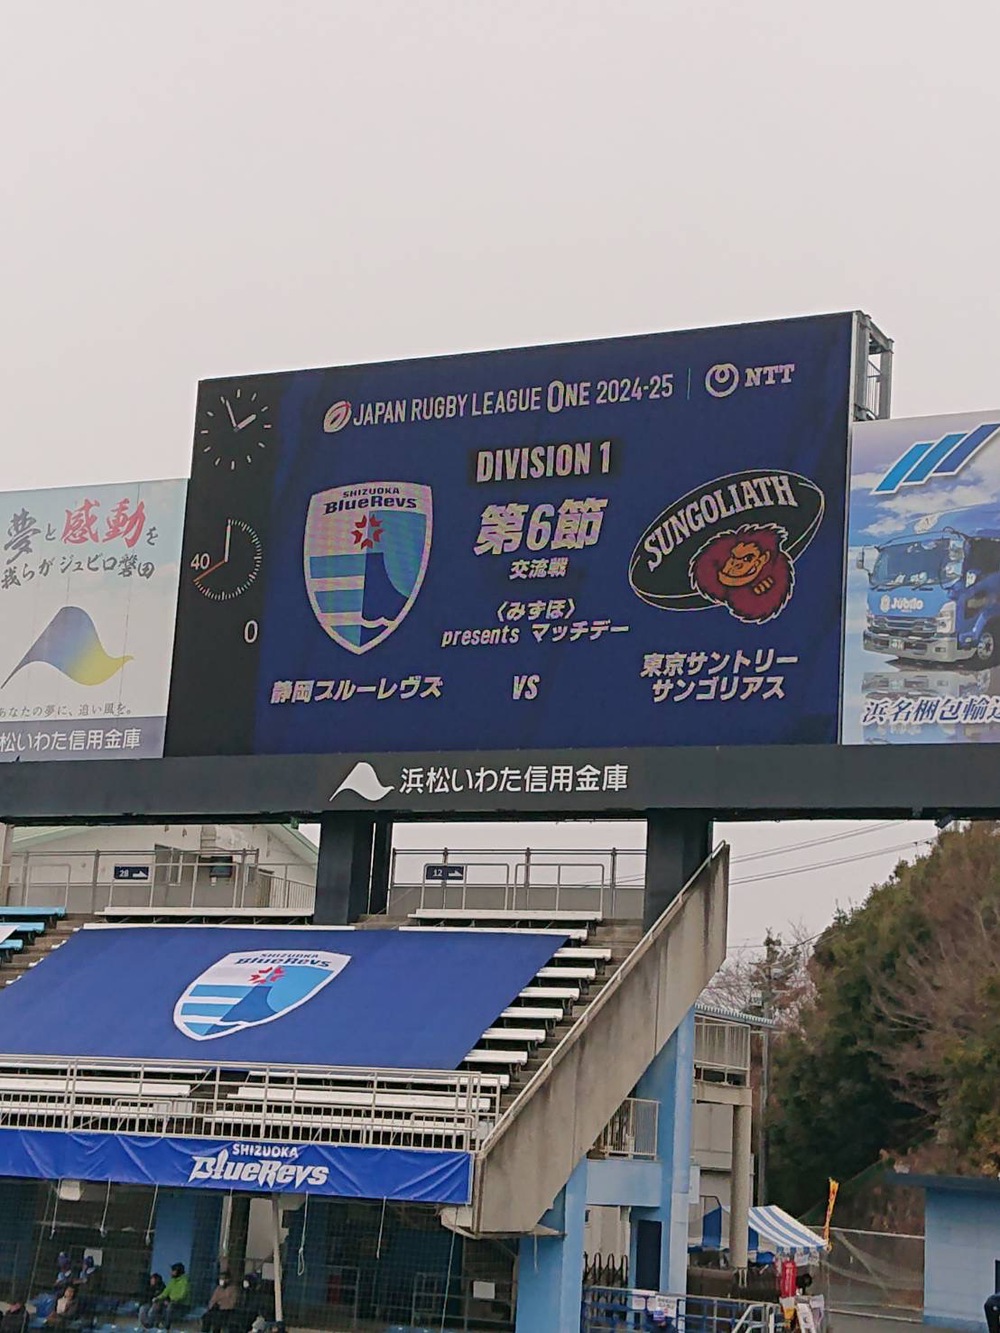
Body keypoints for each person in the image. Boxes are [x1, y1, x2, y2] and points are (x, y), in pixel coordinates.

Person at [140, 1263, 189, 1330]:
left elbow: (182, 1295)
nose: (171, 1272)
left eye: (173, 1271)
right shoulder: (172, 1281)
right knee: (150, 1306)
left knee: (169, 1307)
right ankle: (149, 1325)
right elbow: (165, 1292)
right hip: (171, 1302)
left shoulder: (185, 1281)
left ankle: (166, 1326)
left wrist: (171, 1299)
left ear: (178, 1271)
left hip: (180, 1304)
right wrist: (157, 1298)